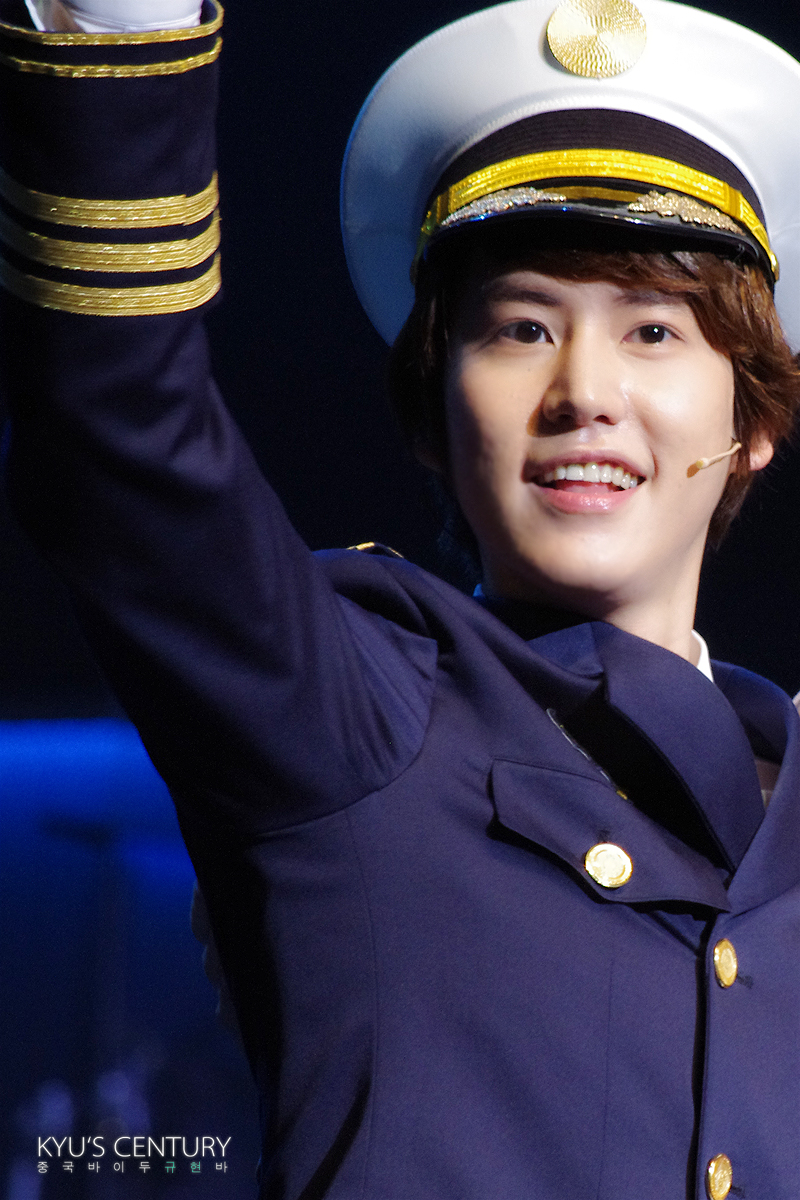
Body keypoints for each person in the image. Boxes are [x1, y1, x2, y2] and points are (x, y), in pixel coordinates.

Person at [1, 0, 800, 1196]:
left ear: (753, 423)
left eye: (650, 331)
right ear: (433, 415)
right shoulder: (359, 712)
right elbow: (119, 430)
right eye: (519, 327)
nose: (582, 390)